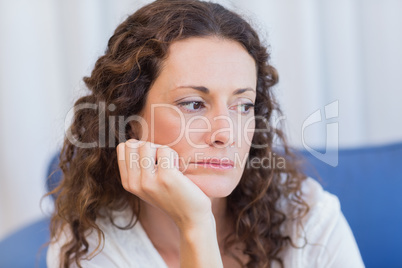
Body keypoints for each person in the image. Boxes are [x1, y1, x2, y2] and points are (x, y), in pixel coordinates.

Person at [47, 0, 364, 267]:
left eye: (242, 106)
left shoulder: (308, 218)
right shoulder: (89, 247)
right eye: (194, 104)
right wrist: (196, 226)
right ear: (131, 120)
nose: (225, 134)